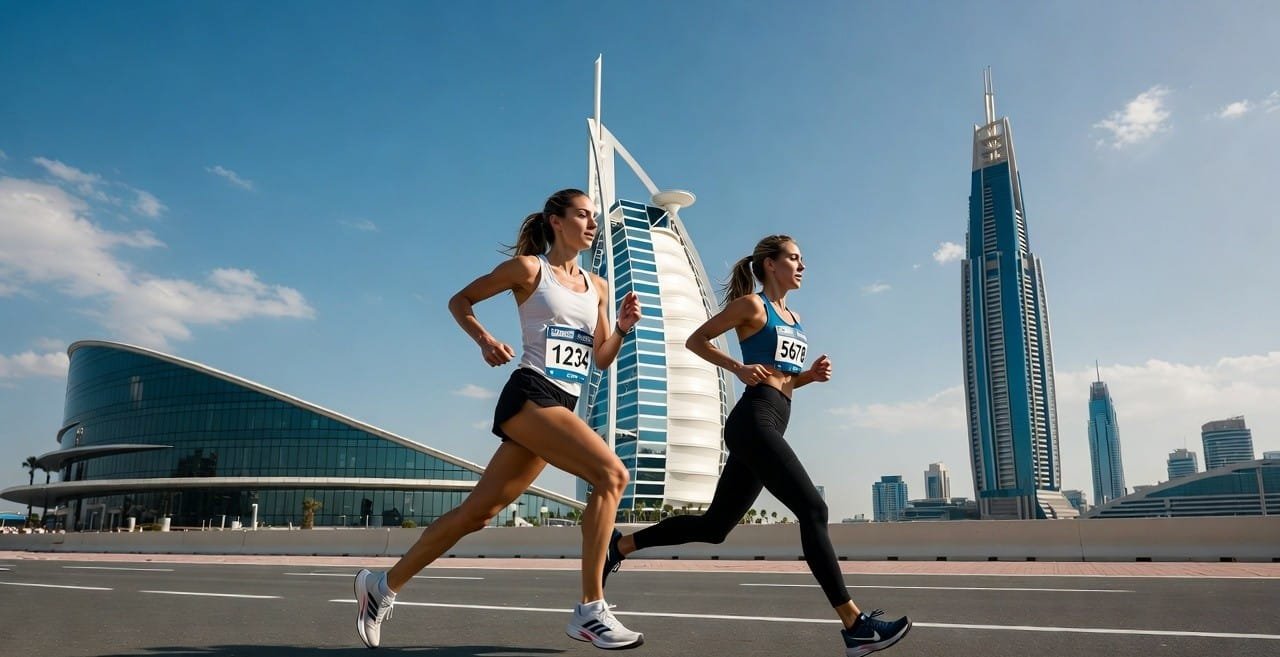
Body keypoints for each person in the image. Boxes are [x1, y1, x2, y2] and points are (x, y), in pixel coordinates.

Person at [355, 188, 645, 650]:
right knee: (612, 475)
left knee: (477, 513)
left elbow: (601, 358)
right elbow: (460, 300)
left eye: (594, 218)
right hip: (530, 394)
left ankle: (382, 585)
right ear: (556, 221)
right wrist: (485, 340)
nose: (592, 224)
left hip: (561, 404)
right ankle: (591, 610)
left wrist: (624, 329)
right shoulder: (530, 269)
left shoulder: (599, 287)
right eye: (583, 215)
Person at [600, 235, 911, 657]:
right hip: (753, 421)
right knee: (814, 510)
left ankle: (618, 546)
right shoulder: (752, 306)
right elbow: (696, 340)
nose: (802, 266)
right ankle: (855, 625)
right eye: (794, 258)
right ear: (770, 264)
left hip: (774, 419)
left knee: (714, 528)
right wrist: (738, 367)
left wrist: (808, 377)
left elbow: (784, 381)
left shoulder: (795, 317)